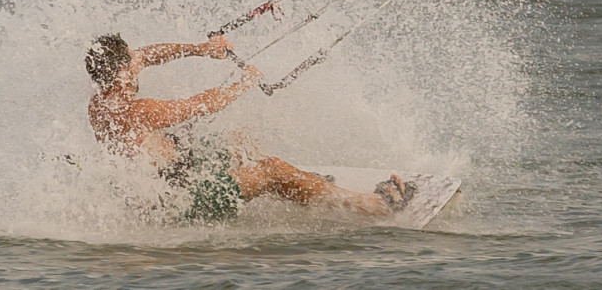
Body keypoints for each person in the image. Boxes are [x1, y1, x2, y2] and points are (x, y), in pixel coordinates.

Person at [85, 33, 414, 222]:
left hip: (173, 171)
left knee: (235, 138)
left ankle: (303, 186)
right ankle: (378, 207)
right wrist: (244, 83)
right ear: (122, 71)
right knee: (271, 169)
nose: (138, 60)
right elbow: (200, 104)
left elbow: (149, 54)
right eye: (132, 61)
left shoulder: (102, 97)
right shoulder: (135, 111)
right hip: (183, 201)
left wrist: (201, 48)